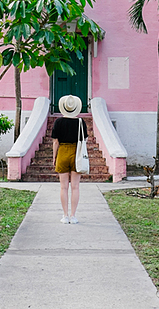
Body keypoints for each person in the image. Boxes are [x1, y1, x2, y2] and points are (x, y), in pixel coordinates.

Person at [52, 94, 87, 224]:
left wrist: (54, 157)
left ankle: (65, 215)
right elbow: (84, 140)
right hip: (76, 153)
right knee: (76, 187)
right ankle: (73, 216)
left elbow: (56, 142)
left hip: (62, 152)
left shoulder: (58, 122)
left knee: (63, 187)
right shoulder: (80, 122)